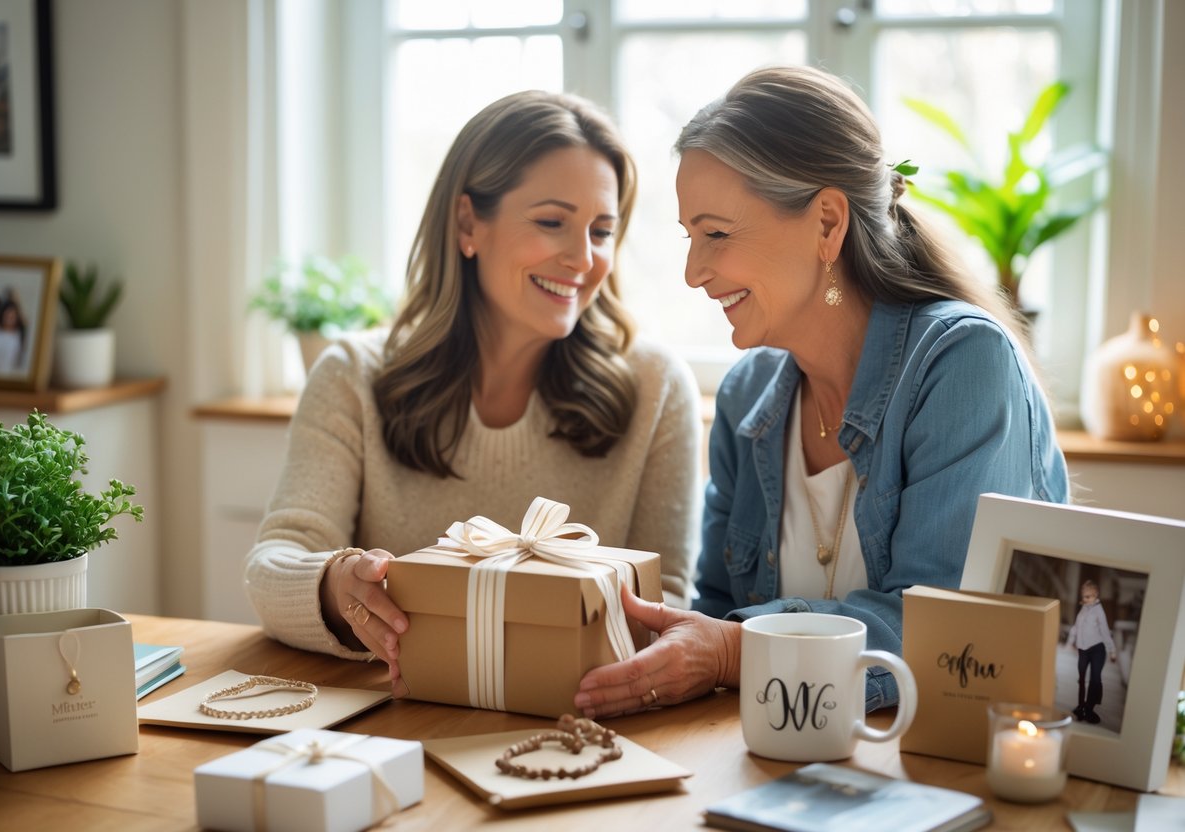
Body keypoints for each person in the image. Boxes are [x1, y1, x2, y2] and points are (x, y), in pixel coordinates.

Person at [574, 65, 1069, 719]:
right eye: (689, 237)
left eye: (716, 234)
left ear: (827, 224)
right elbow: (716, 611)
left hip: (938, 779)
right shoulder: (745, 399)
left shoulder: (962, 364)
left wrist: (729, 652)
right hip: (779, 769)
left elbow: (943, 632)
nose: (694, 272)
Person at [244, 90, 703, 693]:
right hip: (394, 729)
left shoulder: (656, 388)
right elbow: (273, 566)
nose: (583, 258)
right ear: (467, 224)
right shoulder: (351, 377)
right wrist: (336, 586)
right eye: (551, 222)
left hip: (575, 727)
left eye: (601, 230)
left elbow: (661, 604)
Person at [1066, 579, 1117, 724]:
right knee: (1081, 678)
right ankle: (1081, 706)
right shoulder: (1084, 608)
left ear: (1096, 595)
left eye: (1089, 596)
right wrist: (1070, 641)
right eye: (1084, 596)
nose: (1085, 599)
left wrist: (1112, 650)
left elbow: (1105, 631)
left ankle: (1090, 709)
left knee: (1095, 679)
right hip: (1083, 649)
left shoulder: (1098, 611)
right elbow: (1076, 626)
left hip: (1097, 649)